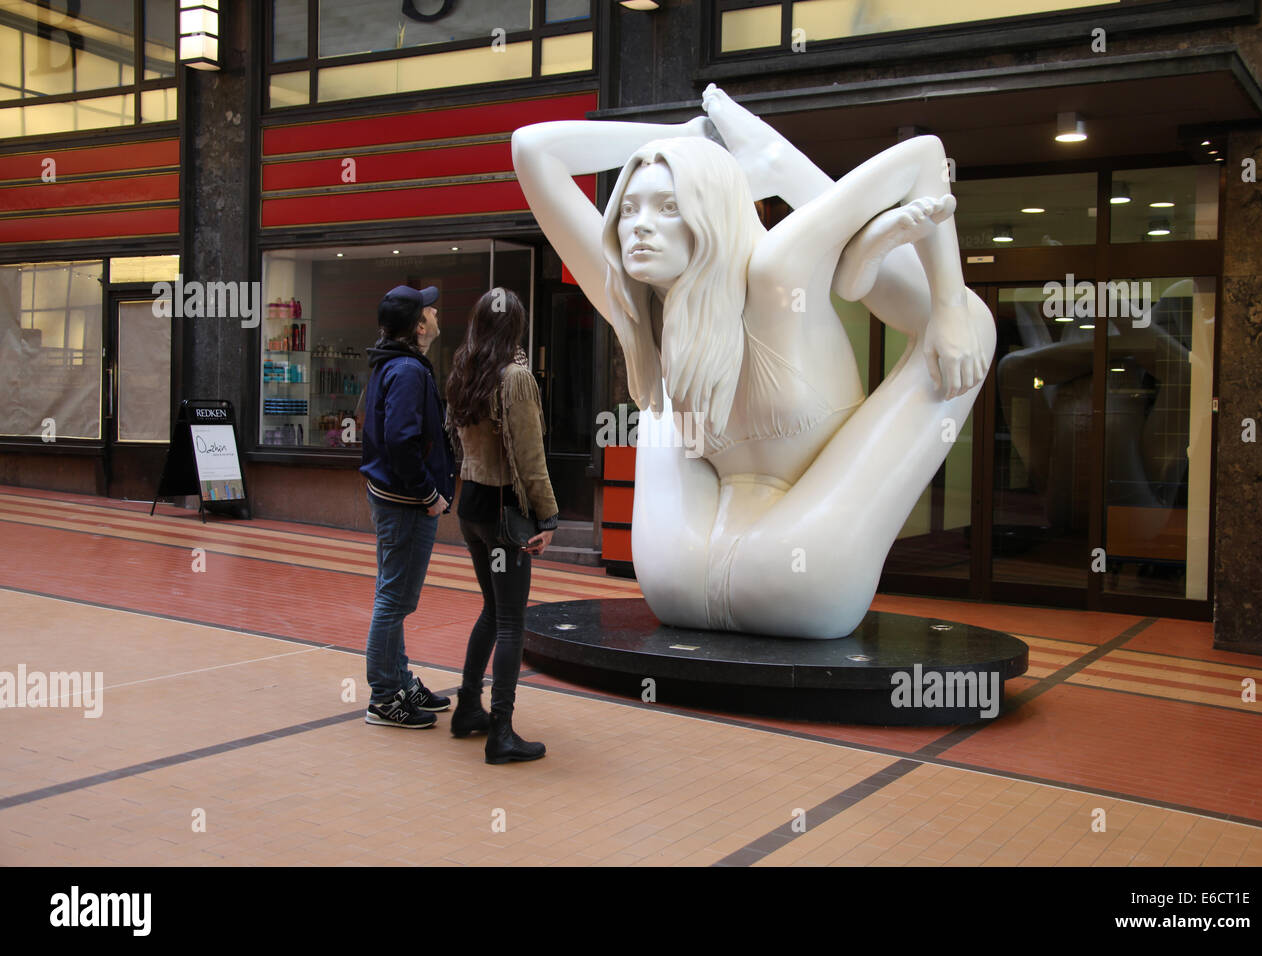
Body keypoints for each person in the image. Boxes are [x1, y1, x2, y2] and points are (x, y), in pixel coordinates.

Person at [510, 84, 996, 639]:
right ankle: (846, 252)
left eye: (669, 208)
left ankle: (826, 225)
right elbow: (530, 148)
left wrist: (953, 309)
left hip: (739, 567)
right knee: (651, 358)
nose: (638, 225)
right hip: (739, 572)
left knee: (965, 327)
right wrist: (692, 141)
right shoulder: (636, 294)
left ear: (712, 213)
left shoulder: (773, 270)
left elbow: (925, 156)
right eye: (628, 208)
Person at [444, 287, 558, 764]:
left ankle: (469, 707)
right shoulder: (515, 378)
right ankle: (502, 732)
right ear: (516, 327)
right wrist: (548, 515)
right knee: (512, 620)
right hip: (504, 512)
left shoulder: (464, 371)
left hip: (470, 505)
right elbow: (530, 459)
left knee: (492, 611)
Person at [359, 285, 457, 728]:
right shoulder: (408, 371)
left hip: (394, 497)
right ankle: (383, 697)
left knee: (392, 595)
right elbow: (401, 439)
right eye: (429, 310)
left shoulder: (394, 364)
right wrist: (428, 494)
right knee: (394, 599)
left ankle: (397, 680)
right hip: (405, 502)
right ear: (418, 326)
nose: (436, 313)